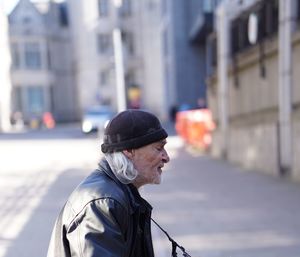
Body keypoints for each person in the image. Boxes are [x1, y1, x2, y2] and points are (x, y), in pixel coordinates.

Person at [47, 109, 170, 257]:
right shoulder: (102, 204)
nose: (166, 157)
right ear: (129, 151)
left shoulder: (119, 194)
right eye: (159, 148)